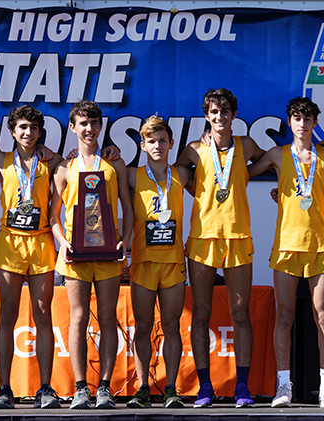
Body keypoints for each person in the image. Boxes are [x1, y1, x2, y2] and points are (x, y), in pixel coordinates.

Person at [247, 96, 324, 408]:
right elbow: (243, 173)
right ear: (289, 122)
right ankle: (283, 387)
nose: (302, 124)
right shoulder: (277, 154)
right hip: (287, 245)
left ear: (315, 123)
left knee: (323, 314)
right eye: (296, 118)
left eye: (307, 119)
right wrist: (218, 152)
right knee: (285, 315)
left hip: (319, 245)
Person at [174, 88, 264, 408]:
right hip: (203, 238)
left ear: (233, 115)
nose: (219, 116)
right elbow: (176, 173)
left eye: (225, 111)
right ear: (206, 115)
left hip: (238, 237)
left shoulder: (247, 144)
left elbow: (270, 161)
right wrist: (196, 192)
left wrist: (241, 179)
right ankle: (205, 387)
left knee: (240, 312)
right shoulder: (195, 149)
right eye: (214, 111)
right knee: (202, 313)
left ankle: (242, 386)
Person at [50, 100, 133, 409]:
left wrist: (125, 239)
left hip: (108, 254)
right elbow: (53, 216)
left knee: (108, 319)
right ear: (72, 127)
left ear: (101, 126)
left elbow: (128, 206)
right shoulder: (64, 168)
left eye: (94, 123)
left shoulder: (115, 164)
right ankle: (81, 387)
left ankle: (106, 388)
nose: (89, 128)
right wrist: (63, 242)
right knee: (78, 318)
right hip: (75, 256)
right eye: (82, 123)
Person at [0, 105, 63, 409]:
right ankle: (4, 388)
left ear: (40, 132)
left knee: (43, 315)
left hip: (42, 240)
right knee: (7, 314)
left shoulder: (51, 161)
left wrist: (49, 151)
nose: (28, 133)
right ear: (13, 131)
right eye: (22, 127)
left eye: (33, 128)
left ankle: (45, 388)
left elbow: (72, 163)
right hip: (10, 243)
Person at [125, 116, 191, 409]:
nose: (157, 146)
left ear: (171, 143)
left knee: (172, 325)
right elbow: (101, 169)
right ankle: (141, 388)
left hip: (173, 260)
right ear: (142, 145)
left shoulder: (182, 174)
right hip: (143, 259)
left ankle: (171, 388)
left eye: (163, 140)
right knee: (142, 326)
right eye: (151, 141)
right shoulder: (130, 174)